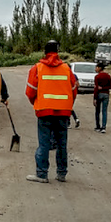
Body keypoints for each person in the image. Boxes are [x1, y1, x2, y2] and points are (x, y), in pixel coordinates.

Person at [24, 40, 77, 183]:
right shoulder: (66, 69)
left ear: (44, 52)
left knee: (44, 143)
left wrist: (36, 103)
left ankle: (41, 174)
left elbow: (30, 92)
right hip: (64, 112)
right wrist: (67, 104)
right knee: (61, 144)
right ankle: (61, 174)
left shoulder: (37, 68)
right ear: (58, 52)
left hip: (44, 111)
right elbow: (74, 90)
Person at [93, 62, 111, 133]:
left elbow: (96, 88)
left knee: (97, 111)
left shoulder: (97, 77)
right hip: (106, 94)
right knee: (104, 111)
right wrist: (104, 88)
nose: (95, 69)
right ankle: (103, 127)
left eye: (96, 67)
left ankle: (98, 126)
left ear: (99, 68)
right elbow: (110, 86)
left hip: (99, 94)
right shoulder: (108, 76)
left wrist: (94, 98)